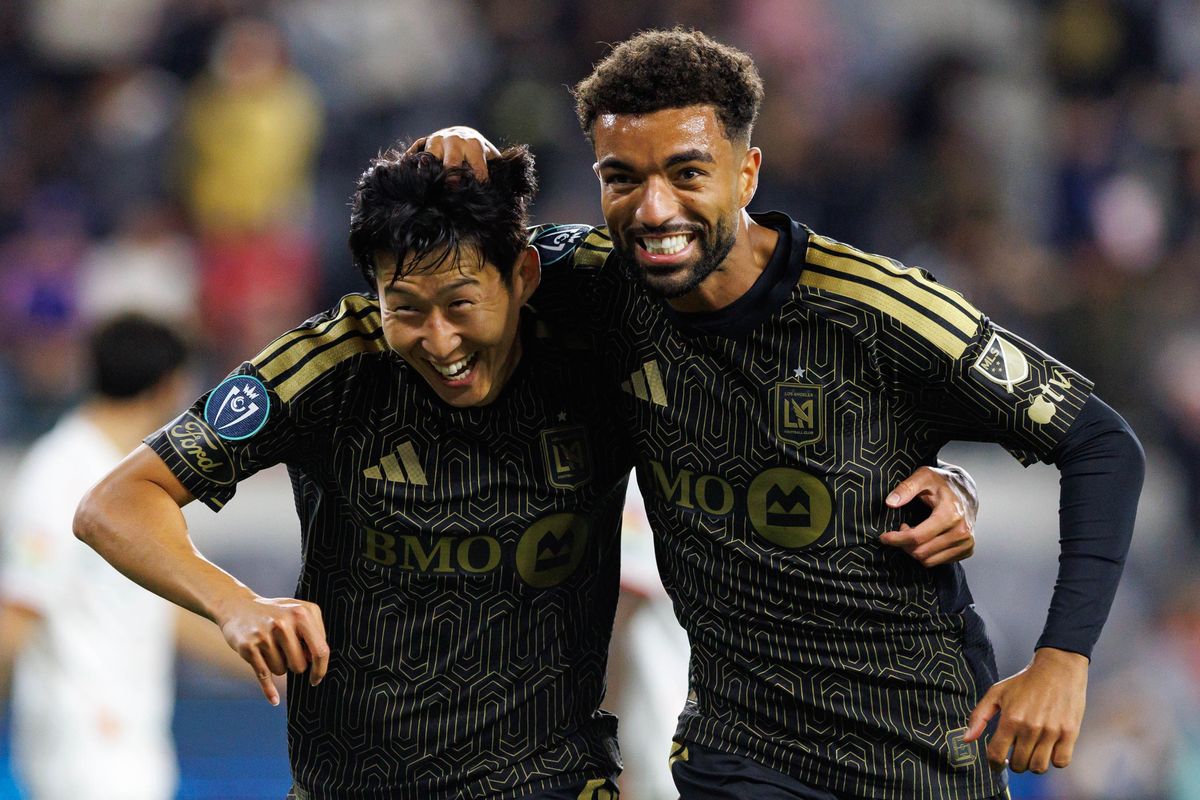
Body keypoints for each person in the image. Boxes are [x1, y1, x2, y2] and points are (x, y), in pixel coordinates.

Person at [73, 145, 980, 798]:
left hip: (550, 779)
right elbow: (117, 502)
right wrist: (234, 601)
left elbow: (770, 366)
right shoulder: (329, 365)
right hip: (356, 781)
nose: (439, 340)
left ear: (522, 273)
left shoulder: (596, 337)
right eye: (407, 309)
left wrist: (939, 477)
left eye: (463, 303)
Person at [419, 26, 1145, 800]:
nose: (654, 207)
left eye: (687, 172)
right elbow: (432, 283)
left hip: (916, 755)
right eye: (621, 177)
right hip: (738, 754)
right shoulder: (595, 278)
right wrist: (455, 164)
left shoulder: (873, 309)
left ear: (747, 173)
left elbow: (1102, 443)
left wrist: (1064, 658)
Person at [0, 313, 235, 800]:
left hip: (133, 737)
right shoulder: (60, 472)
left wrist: (281, 665)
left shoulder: (131, 479)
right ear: (168, 386)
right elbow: (18, 612)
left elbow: (166, 610)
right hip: (81, 740)